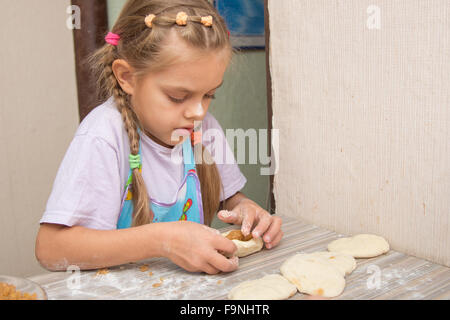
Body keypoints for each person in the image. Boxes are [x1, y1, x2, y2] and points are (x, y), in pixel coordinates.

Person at [35, 0, 283, 275]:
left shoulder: (204, 129)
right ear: (126, 76)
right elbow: (51, 249)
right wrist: (163, 241)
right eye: (178, 97)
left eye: (209, 94)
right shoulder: (103, 136)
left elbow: (230, 199)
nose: (198, 111)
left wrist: (246, 209)